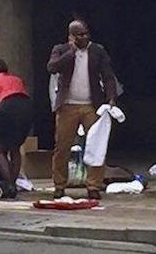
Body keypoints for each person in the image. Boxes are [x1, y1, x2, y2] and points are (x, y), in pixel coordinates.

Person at [47, 20, 117, 200]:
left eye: (86, 33)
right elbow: (52, 67)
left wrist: (111, 98)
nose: (84, 37)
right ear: (71, 36)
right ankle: (59, 185)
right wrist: (71, 52)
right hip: (67, 105)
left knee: (96, 145)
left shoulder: (98, 51)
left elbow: (108, 76)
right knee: (62, 146)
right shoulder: (61, 50)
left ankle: (94, 185)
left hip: (91, 105)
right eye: (79, 35)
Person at [0, 58, 34, 199]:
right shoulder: (16, 78)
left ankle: (9, 185)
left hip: (8, 106)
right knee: (15, 147)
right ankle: (14, 182)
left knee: (0, 148)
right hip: (26, 106)